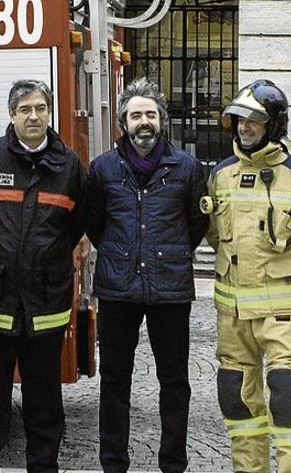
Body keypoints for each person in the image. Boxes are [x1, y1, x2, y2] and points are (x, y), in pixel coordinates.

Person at [202, 79, 291, 473]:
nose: (244, 127)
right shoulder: (221, 175)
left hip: (283, 313)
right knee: (236, 397)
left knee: (286, 395)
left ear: (274, 124)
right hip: (233, 316)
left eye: (254, 120)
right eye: (239, 120)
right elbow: (216, 235)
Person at [0, 79, 87, 473]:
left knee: (44, 399)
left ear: (50, 113)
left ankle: (44, 467)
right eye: (25, 109)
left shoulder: (69, 167)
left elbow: (77, 225)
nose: (34, 116)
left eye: (41, 108)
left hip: (44, 306)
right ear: (11, 115)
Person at [85, 77, 208, 473]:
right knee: (114, 381)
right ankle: (113, 463)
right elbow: (94, 223)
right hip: (117, 289)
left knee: (174, 383)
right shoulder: (102, 169)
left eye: (150, 114)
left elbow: (196, 224)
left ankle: (173, 462)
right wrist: (123, 254)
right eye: (136, 114)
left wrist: (169, 254)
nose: (144, 122)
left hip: (169, 289)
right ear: (123, 121)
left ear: (162, 121)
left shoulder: (186, 168)